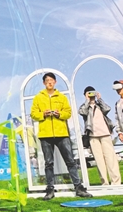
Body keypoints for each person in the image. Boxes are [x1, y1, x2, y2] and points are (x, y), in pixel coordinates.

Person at [30, 72, 92, 200]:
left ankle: (79, 188)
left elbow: (68, 112)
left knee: (70, 161)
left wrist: (59, 114)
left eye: (52, 80)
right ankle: (50, 189)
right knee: (48, 163)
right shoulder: (38, 97)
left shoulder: (62, 97)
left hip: (62, 133)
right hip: (45, 134)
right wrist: (43, 114)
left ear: (55, 82)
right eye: (47, 80)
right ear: (44, 83)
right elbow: (33, 114)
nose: (49, 82)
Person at [78, 86, 121, 186]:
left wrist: (99, 99)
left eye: (92, 92)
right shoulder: (85, 107)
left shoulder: (99, 105)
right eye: (89, 93)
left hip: (105, 133)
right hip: (93, 135)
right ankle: (104, 182)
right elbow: (82, 112)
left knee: (111, 158)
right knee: (99, 160)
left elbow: (107, 109)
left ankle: (116, 182)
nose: (91, 95)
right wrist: (87, 100)